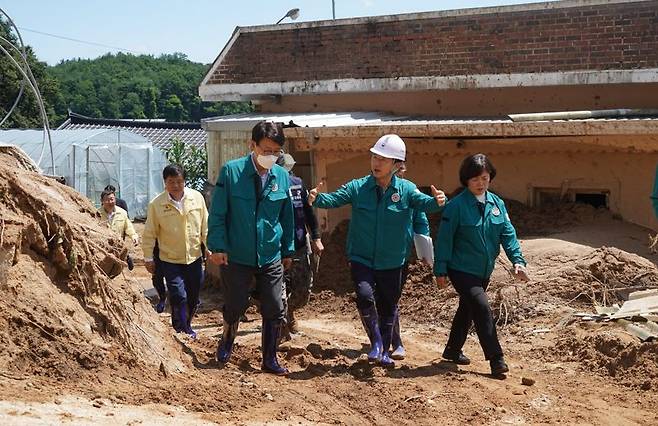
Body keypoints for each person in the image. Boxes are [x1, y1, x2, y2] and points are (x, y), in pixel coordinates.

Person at [308, 134, 447, 367]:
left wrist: (438, 201)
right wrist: (316, 198)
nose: (376, 163)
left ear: (396, 165)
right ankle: (377, 344)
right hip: (361, 256)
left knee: (388, 304)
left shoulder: (406, 190)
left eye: (383, 159)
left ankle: (385, 348)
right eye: (374, 157)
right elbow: (334, 199)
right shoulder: (358, 187)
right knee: (364, 296)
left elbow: (424, 205)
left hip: (393, 260)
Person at [208, 121, 295, 375]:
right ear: (252, 145)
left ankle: (269, 358)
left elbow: (287, 217)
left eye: (276, 152)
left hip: (270, 253)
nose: (270, 157)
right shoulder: (231, 172)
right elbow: (218, 213)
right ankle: (227, 339)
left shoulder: (282, 177)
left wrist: (288, 249)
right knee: (235, 303)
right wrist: (217, 246)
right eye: (266, 150)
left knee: (274, 306)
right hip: (237, 254)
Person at [434, 153, 529, 378]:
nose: (480, 183)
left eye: (485, 178)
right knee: (481, 306)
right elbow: (444, 240)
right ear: (466, 180)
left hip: (484, 270)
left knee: (468, 308)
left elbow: (508, 234)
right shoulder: (455, 206)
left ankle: (452, 350)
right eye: (475, 179)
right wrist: (440, 270)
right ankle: (496, 359)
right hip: (461, 269)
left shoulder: (497, 204)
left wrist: (518, 260)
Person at [142, 164, 208, 339]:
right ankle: (181, 328)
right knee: (178, 295)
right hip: (170, 259)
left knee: (193, 296)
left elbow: (205, 227)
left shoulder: (197, 198)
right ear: (165, 183)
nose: (176, 185)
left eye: (179, 181)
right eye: (171, 182)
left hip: (194, 257)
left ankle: (187, 323)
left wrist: (210, 248)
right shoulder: (156, 204)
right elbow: (149, 233)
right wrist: (148, 258)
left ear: (184, 181)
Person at [276, 153, 324, 342]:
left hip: (299, 244)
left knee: (304, 289)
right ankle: (281, 323)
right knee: (279, 289)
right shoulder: (268, 186)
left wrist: (316, 237)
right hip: (277, 247)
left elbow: (307, 211)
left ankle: (290, 311)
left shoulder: (297, 184)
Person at [389, 162, 433, 360]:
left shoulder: (409, 191)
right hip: (371, 256)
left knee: (391, 299)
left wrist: (424, 248)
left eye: (401, 171)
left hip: (399, 256)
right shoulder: (370, 190)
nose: (399, 175)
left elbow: (420, 221)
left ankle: (391, 339)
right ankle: (387, 340)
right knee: (375, 298)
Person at [99, 189, 139, 270]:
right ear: (102, 201)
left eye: (112, 199)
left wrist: (134, 236)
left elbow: (128, 226)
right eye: (107, 200)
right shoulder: (97, 213)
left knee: (116, 268)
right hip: (103, 247)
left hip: (118, 247)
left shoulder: (122, 213)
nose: (110, 202)